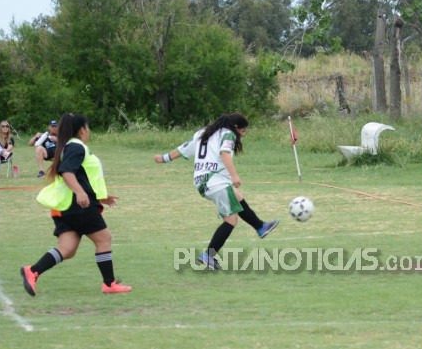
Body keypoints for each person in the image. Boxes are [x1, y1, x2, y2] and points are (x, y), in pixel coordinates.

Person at [20, 113, 132, 296]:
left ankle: (32, 271)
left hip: (66, 206)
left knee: (67, 249)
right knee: (104, 239)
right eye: (88, 128)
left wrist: (101, 197)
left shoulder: (69, 146)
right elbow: (67, 172)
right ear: (82, 129)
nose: (89, 131)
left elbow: (82, 176)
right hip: (78, 205)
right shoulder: (76, 147)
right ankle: (109, 284)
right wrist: (81, 193)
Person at [153, 113, 279, 270]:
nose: (242, 135)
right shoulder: (228, 133)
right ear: (235, 128)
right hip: (216, 181)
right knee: (231, 220)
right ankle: (208, 255)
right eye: (243, 131)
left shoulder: (203, 133)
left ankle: (260, 227)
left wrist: (163, 158)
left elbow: (183, 148)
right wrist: (234, 175)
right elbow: (224, 153)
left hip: (202, 181)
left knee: (237, 197)